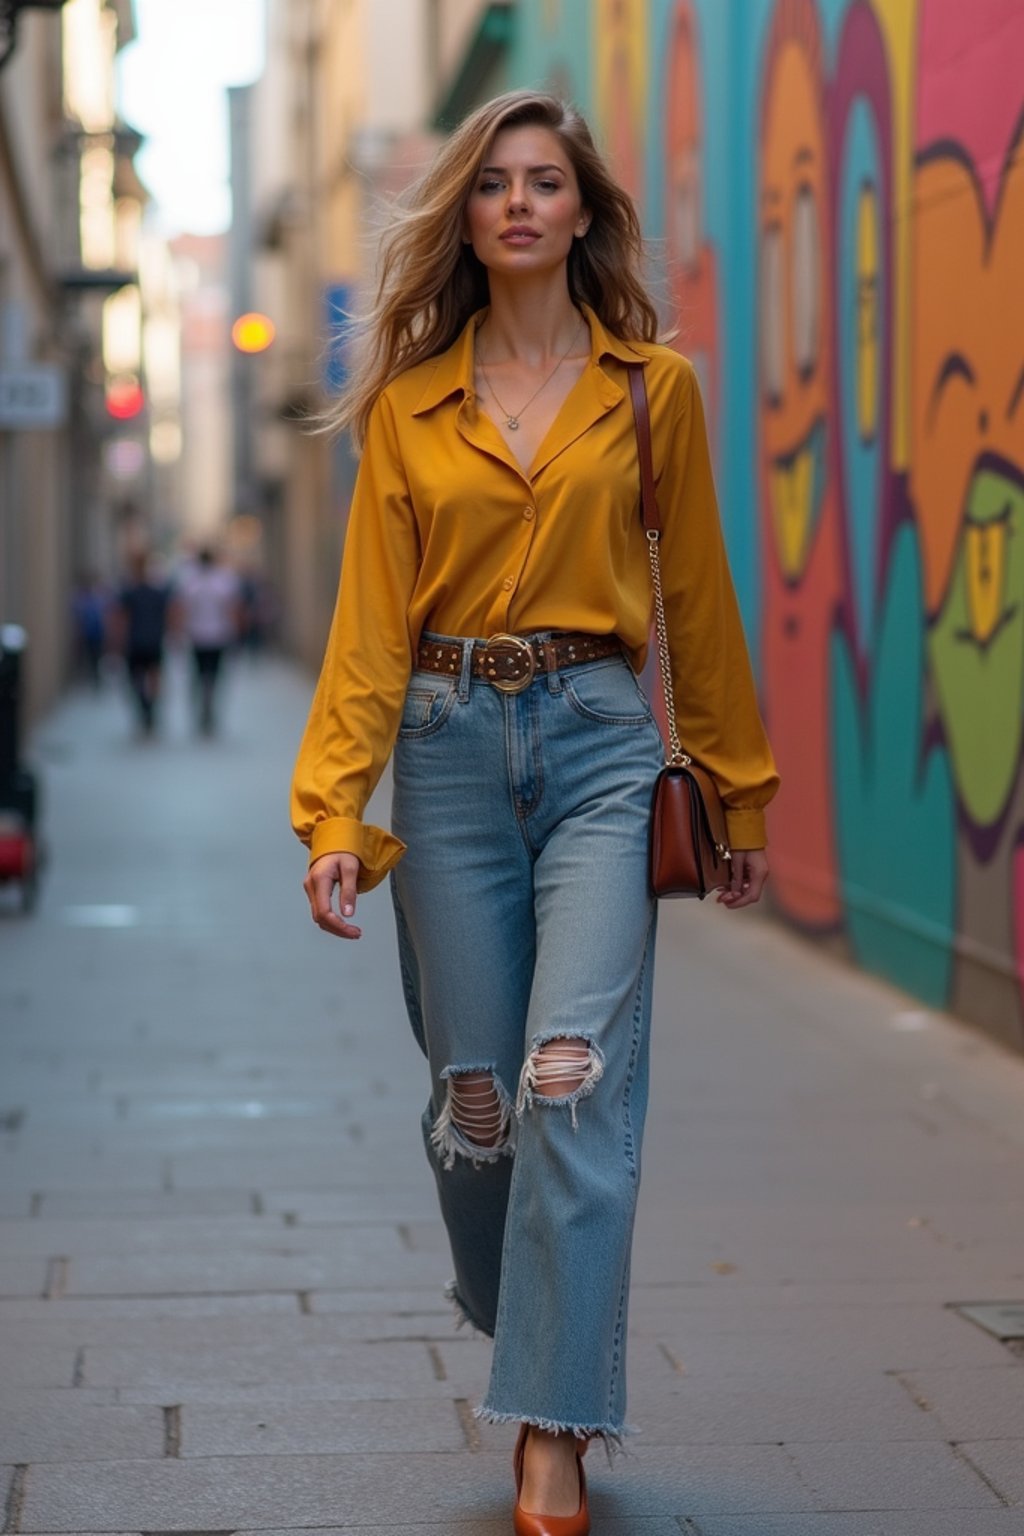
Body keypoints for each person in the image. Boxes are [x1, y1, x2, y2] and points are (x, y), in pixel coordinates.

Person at [292, 90, 779, 1535]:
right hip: (442, 755)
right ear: (469, 214)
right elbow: (370, 628)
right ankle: (533, 1323)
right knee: (481, 1107)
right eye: (494, 181)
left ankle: (551, 1426)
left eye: (546, 181)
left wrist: (736, 796)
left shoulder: (653, 393)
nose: (518, 201)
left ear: (583, 211)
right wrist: (334, 813)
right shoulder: (407, 407)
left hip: (599, 750)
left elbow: (695, 593)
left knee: (571, 1079)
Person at [175, 546, 242, 734]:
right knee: (214, 676)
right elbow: (232, 610)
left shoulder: (190, 582)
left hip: (197, 637)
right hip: (218, 637)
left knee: (199, 675)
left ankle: (204, 708)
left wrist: (179, 633)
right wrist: (236, 633)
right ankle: (209, 706)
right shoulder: (223, 581)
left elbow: (182, 610)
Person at [110, 551, 173, 735]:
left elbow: (121, 620)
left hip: (136, 642)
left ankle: (145, 707)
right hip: (152, 641)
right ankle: (150, 707)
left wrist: (115, 643)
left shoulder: (129, 593)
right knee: (152, 677)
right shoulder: (156, 593)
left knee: (137, 678)